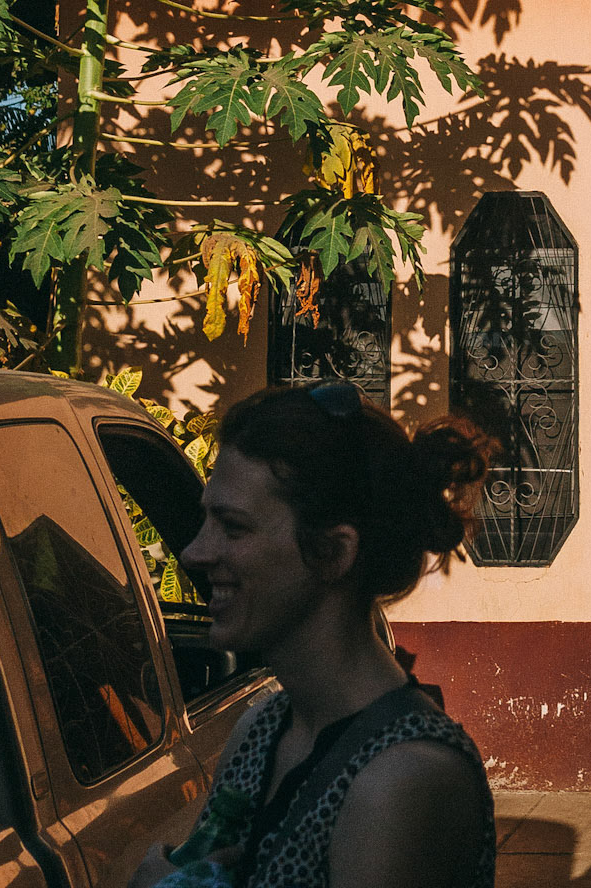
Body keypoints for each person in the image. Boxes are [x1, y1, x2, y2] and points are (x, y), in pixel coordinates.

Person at [134, 381, 497, 888]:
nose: (194, 553)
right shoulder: (260, 731)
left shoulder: (403, 779)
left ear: (334, 553)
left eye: (233, 527)